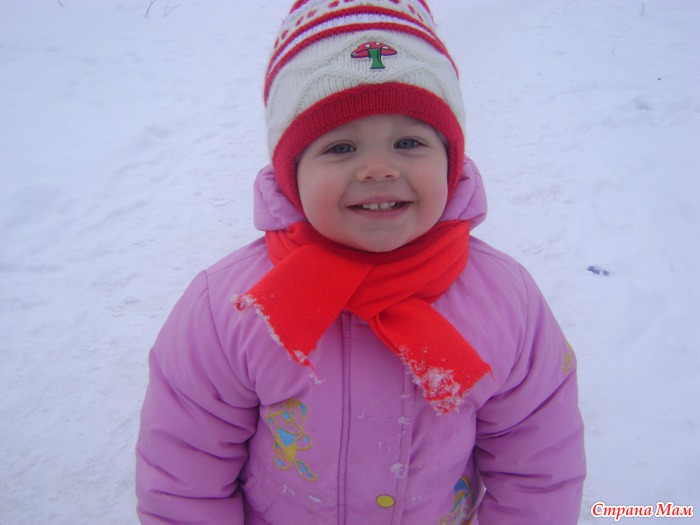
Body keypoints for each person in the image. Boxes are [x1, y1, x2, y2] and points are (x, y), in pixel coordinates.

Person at [135, 1, 586, 523]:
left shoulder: (506, 300)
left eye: (408, 142)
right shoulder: (231, 309)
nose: (377, 169)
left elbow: (537, 465)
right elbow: (185, 472)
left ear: (451, 159)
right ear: (291, 174)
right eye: (341, 147)